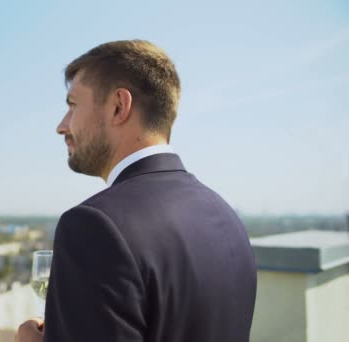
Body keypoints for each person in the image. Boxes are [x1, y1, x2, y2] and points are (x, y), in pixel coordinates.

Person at [16, 40, 257, 342]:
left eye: (73, 105)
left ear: (119, 106)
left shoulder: (93, 226)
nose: (62, 126)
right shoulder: (225, 216)